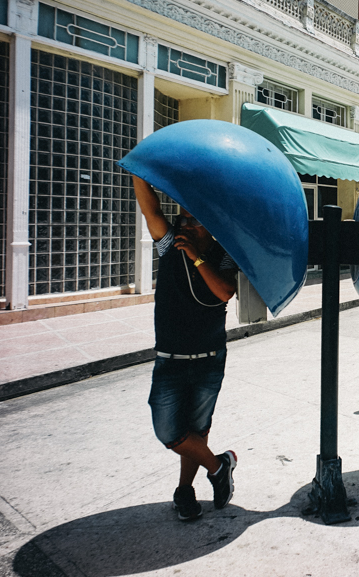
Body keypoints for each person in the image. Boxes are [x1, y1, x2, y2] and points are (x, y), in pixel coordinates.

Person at [132, 177, 240, 522]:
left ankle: (184, 492)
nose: (186, 225)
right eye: (183, 219)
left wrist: (196, 257)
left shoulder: (223, 255)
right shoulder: (168, 247)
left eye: (194, 220)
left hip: (209, 358)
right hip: (171, 359)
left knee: (198, 430)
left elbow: (224, 292)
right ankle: (218, 465)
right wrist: (139, 170)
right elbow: (150, 209)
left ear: (210, 226)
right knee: (168, 431)